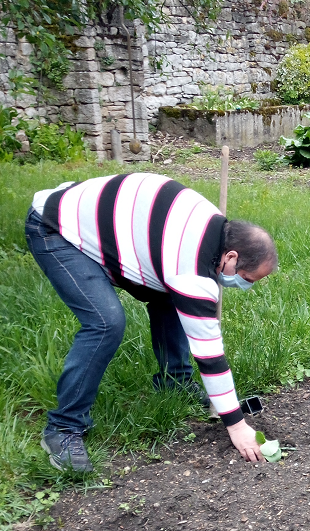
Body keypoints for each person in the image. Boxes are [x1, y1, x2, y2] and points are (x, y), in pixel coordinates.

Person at [25, 172, 279, 472]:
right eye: (246, 279)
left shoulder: (215, 229)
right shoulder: (190, 268)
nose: (244, 285)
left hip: (107, 226)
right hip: (58, 227)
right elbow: (210, 356)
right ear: (231, 256)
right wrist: (236, 426)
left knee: (169, 296)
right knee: (106, 322)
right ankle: (64, 428)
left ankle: (175, 382)